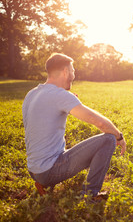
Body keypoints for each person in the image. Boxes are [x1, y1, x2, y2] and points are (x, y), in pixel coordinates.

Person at [22, 53, 126, 199]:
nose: (74, 75)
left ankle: (42, 182)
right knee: (109, 139)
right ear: (65, 72)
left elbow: (44, 122)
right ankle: (90, 195)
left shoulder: (31, 94)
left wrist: (69, 104)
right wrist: (119, 136)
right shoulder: (60, 95)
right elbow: (100, 123)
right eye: (73, 71)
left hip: (34, 170)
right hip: (49, 170)